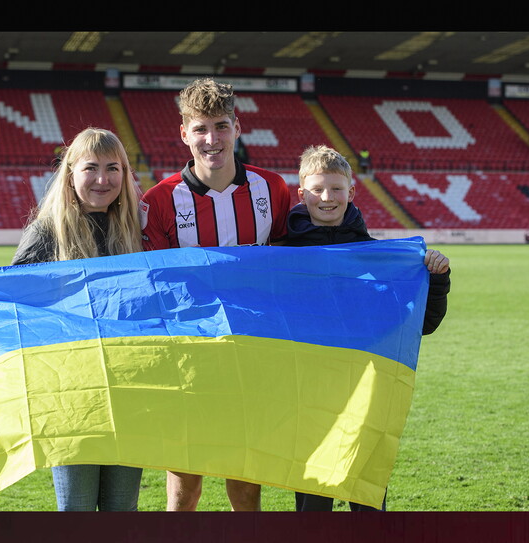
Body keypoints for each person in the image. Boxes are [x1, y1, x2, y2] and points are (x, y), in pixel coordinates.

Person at [0, 127, 146, 511]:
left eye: (113, 168)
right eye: (91, 168)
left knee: (123, 510)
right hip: (70, 393)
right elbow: (11, 294)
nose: (103, 179)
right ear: (70, 174)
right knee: (76, 509)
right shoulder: (48, 230)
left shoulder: (138, 230)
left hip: (129, 389)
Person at [140, 77, 291, 511]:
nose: (212, 139)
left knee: (245, 480)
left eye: (221, 126)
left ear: (237, 128)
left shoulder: (272, 189)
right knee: (184, 481)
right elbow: (153, 283)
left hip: (253, 352)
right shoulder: (162, 200)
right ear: (185, 134)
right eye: (201, 129)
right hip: (188, 355)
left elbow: (294, 262)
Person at [286, 145, 451, 512]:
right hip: (307, 400)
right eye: (317, 189)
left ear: (351, 192)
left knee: (368, 505)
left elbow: (422, 324)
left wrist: (436, 280)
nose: (327, 197)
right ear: (301, 194)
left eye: (336, 189)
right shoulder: (279, 254)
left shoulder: (379, 258)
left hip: (364, 396)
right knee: (312, 507)